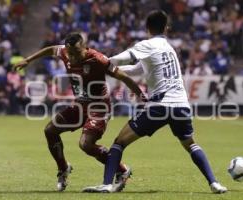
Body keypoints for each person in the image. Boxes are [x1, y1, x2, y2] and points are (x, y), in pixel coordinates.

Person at [83, 10, 227, 194]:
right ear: (166, 28)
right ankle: (214, 183)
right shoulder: (168, 48)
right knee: (190, 144)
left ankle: (106, 184)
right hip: (181, 105)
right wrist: (111, 69)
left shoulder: (148, 44)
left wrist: (101, 63)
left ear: (146, 28)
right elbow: (136, 69)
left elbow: (124, 57)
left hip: (159, 106)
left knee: (119, 142)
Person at [13, 32, 145, 192]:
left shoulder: (98, 59)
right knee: (50, 130)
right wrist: (28, 60)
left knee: (86, 145)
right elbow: (50, 49)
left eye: (75, 53)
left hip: (99, 107)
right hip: (80, 106)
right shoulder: (65, 52)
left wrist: (140, 95)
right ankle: (63, 168)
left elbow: (122, 76)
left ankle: (122, 170)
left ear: (84, 48)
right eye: (70, 53)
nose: (72, 57)